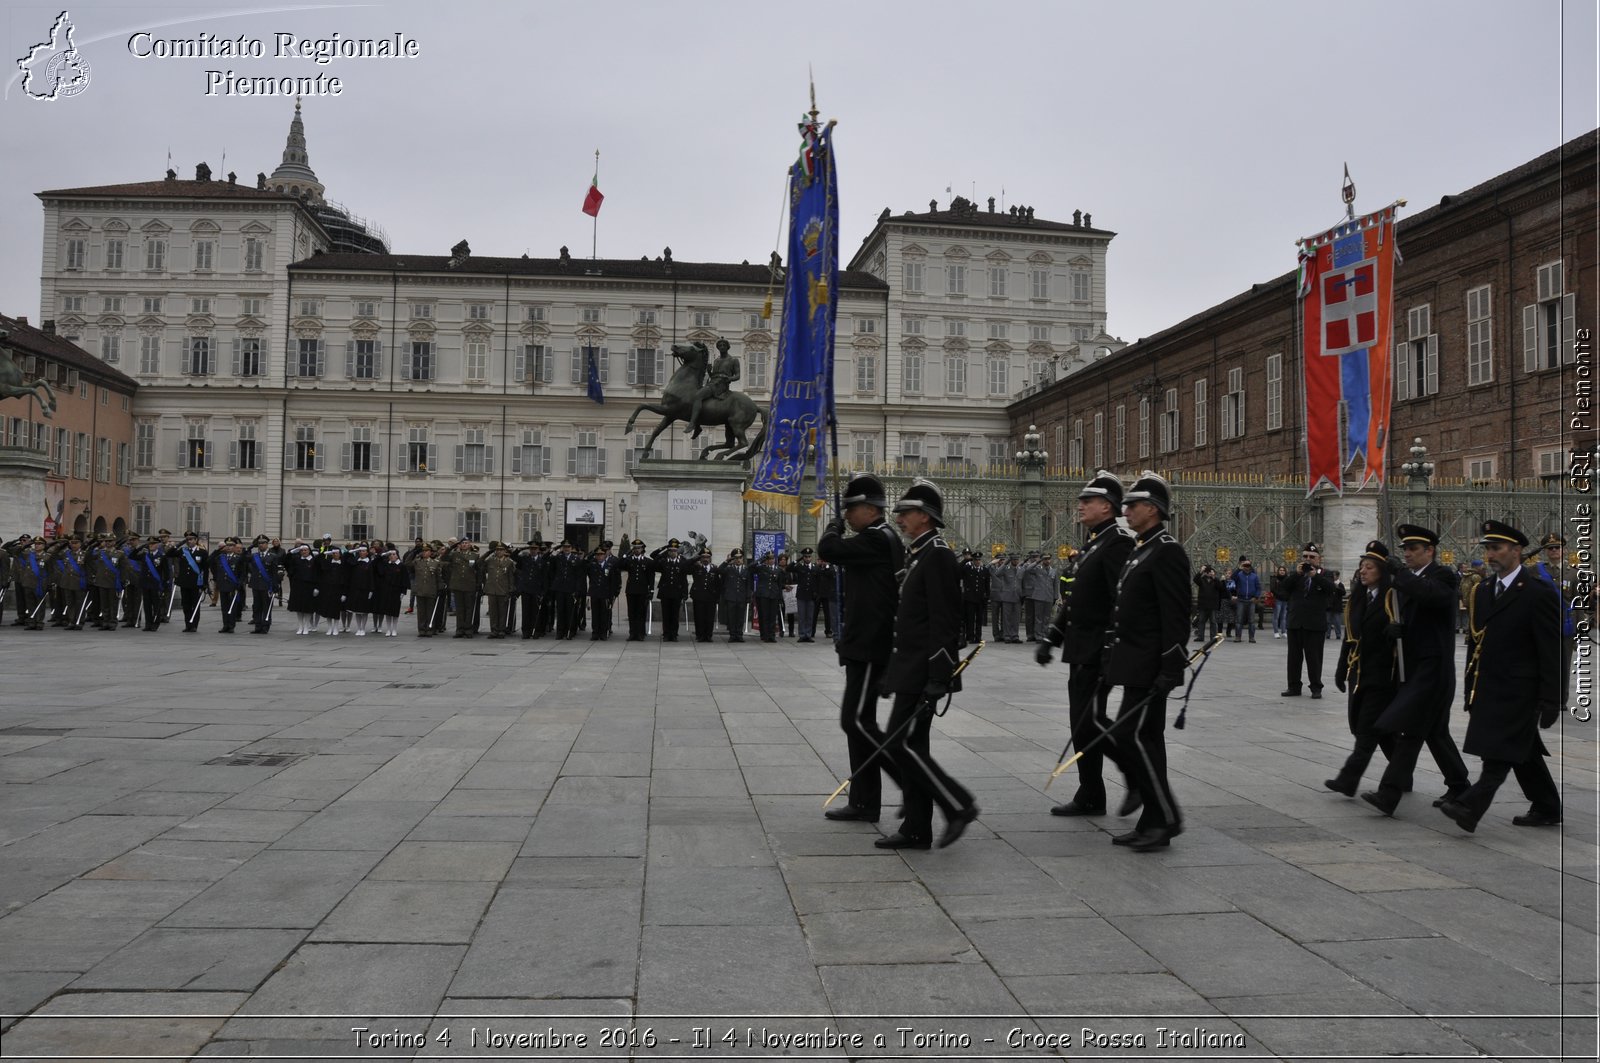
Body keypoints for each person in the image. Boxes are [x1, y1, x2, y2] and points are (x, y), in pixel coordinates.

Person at [1439, 520, 1563, 832]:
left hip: (1522, 689)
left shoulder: (1537, 593)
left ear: (1517, 551)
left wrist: (1553, 697)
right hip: (1492, 686)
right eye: (1488, 549)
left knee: (1500, 751)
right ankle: (1547, 806)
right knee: (1524, 749)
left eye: (1497, 548)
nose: (1491, 555)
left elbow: (1551, 650)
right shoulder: (1483, 591)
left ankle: (1469, 806)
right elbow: (1476, 643)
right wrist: (1471, 688)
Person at [876, 479, 978, 850]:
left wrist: (940, 674)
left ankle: (957, 805)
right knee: (911, 745)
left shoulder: (938, 555)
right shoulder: (919, 554)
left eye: (905, 513)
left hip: (924, 670)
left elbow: (945, 621)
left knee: (898, 743)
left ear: (924, 516)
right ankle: (917, 828)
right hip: (911, 666)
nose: (899, 519)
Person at [1037, 470, 1138, 818]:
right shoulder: (1095, 542)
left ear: (1107, 507)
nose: (1080, 505)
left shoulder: (1118, 544)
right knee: (1081, 724)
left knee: (1088, 723)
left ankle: (1135, 775)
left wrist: (1111, 645)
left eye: (1088, 501)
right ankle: (1091, 794)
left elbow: (1120, 600)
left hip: (1098, 648)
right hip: (1080, 647)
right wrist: (1053, 636)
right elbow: (1076, 596)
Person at [1103, 471, 1191, 851]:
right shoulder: (1143, 547)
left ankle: (1166, 816)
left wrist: (1172, 665)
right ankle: (1152, 820)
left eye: (1132, 505)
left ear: (1152, 510)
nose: (1126, 510)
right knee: (1146, 739)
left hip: (1152, 662)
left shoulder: (1167, 550)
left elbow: (1176, 613)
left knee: (1131, 735)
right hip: (1135, 660)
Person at [1360, 524, 1472, 817]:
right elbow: (1404, 613)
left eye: (1413, 549)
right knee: (1434, 733)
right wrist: (1394, 630)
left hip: (1434, 668)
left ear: (1430, 551)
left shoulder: (1442, 575)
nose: (1407, 554)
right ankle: (1460, 784)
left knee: (1411, 732)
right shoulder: (1406, 581)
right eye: (1405, 550)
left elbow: (1432, 596)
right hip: (1414, 667)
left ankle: (1389, 794)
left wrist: (1401, 575)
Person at [818, 474, 905, 824]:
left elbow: (829, 550)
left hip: (871, 644)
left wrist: (832, 526)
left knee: (855, 721)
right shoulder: (877, 537)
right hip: (862, 643)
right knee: (859, 723)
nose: (849, 515)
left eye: (851, 509)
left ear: (870, 509)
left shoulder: (877, 539)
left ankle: (911, 781)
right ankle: (864, 801)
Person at [1326, 542, 1400, 796]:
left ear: (1381, 570)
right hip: (1358, 672)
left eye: (1369, 567)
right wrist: (1340, 669)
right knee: (1369, 727)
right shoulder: (1358, 598)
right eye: (1361, 567)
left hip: (1382, 673)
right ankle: (1402, 771)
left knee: (1367, 729)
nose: (1363, 571)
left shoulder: (1393, 597)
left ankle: (1348, 779)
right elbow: (1350, 636)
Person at [1279, 543, 1334, 697]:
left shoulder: (1325, 574)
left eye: (1312, 557)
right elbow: (1282, 590)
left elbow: (1331, 589)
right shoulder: (1295, 575)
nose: (1308, 559)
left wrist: (1314, 576)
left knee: (1314, 658)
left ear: (1319, 559)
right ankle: (1294, 686)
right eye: (1305, 556)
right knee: (1294, 658)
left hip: (1315, 624)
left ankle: (1316, 687)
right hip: (1296, 622)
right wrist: (1296, 574)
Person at [687, 337, 741, 439]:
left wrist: (729, 378)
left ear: (728, 347)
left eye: (724, 345)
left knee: (698, 396)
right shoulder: (716, 360)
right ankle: (698, 426)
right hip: (712, 382)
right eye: (720, 345)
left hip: (721, 385)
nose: (722, 347)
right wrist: (709, 372)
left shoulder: (733, 360)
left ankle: (693, 424)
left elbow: (738, 376)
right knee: (694, 398)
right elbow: (713, 376)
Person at [652, 539, 689, 642]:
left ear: (678, 551)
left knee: (675, 614)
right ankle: (666, 634)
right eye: (671, 550)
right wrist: (663, 550)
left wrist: (685, 593)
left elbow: (684, 579)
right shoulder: (663, 561)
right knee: (666, 614)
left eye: (675, 550)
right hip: (665, 592)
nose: (673, 552)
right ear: (668, 551)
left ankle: (674, 634)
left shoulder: (682, 561)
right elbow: (653, 558)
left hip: (677, 592)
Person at [245, 536, 280, 635]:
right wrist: (250, 547)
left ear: (267, 544)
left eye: (263, 543)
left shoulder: (272, 556)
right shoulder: (254, 556)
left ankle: (265, 626)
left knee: (266, 606)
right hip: (256, 585)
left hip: (267, 585)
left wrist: (275, 586)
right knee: (256, 606)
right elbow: (244, 558)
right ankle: (258, 626)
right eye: (259, 543)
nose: (261, 545)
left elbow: (274, 572)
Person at [622, 539, 655, 641]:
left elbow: (651, 577)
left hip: (642, 591)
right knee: (631, 613)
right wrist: (625, 556)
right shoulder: (629, 560)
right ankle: (632, 633)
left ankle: (641, 633)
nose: (637, 550)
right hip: (631, 590)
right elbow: (618, 566)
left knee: (641, 613)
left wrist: (651, 590)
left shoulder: (648, 562)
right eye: (635, 548)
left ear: (642, 549)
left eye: (639, 548)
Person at [484, 542, 518, 639]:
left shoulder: (509, 562)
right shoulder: (490, 560)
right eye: (497, 550)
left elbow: (511, 577)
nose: (499, 552)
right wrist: (488, 552)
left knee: (503, 612)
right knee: (493, 612)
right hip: (492, 589)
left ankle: (501, 630)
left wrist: (511, 589)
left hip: (503, 590)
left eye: (501, 550)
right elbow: (480, 563)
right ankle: (494, 630)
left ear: (505, 551)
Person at [409, 542, 443, 637]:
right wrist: (414, 552)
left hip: (431, 589)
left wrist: (440, 588)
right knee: (421, 612)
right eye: (423, 551)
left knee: (430, 611)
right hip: (420, 590)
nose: (424, 553)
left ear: (431, 552)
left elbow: (438, 577)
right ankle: (421, 629)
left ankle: (429, 629)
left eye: (426, 551)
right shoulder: (417, 562)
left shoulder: (435, 563)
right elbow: (407, 564)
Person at [719, 548, 752, 642]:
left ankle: (739, 635)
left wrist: (748, 596)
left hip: (742, 597)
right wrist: (727, 561)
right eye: (736, 558)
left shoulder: (746, 569)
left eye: (740, 557)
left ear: (743, 558)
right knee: (732, 617)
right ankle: (732, 635)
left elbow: (748, 584)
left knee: (740, 617)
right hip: (731, 597)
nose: (738, 560)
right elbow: (719, 570)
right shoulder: (729, 569)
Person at [1022, 552, 1056, 642]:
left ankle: (1045, 634)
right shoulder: (1037, 569)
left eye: (1048, 559)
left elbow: (1055, 585)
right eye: (1045, 559)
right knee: (1039, 617)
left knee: (1046, 618)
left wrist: (1055, 596)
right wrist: (1038, 562)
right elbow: (1028, 570)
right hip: (1038, 597)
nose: (1047, 561)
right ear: (1042, 560)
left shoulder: (1053, 570)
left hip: (1049, 597)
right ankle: (1038, 636)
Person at [689, 547, 721, 642]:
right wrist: (695, 558)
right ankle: (700, 635)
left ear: (710, 558)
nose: (705, 559)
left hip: (711, 597)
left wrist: (718, 596)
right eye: (703, 557)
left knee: (710, 617)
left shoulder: (714, 568)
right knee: (699, 617)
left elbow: (718, 584)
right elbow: (685, 566)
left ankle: (708, 635)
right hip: (698, 596)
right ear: (700, 558)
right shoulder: (696, 567)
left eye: (707, 557)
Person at [990, 553, 1022, 643]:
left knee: (1015, 619)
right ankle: (1006, 636)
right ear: (1011, 561)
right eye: (1014, 560)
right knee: (1005, 618)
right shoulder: (1006, 569)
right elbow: (997, 573)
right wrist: (1006, 562)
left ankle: (1015, 635)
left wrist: (1022, 594)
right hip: (1006, 597)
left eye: (1017, 559)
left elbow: (1022, 582)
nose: (1016, 561)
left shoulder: (1020, 569)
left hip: (1017, 597)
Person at [752, 551, 783, 643]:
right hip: (763, 595)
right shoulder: (761, 568)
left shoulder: (778, 570)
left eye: (772, 559)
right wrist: (762, 559)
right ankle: (765, 635)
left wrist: (780, 597)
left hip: (774, 595)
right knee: (764, 616)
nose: (771, 560)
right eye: (769, 559)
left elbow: (779, 584)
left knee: (772, 616)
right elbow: (751, 567)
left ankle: (771, 635)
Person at [1231, 558, 1261, 643]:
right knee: (1239, 619)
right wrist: (1238, 569)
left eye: (1248, 565)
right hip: (1241, 599)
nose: (1247, 567)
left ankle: (1251, 637)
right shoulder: (1239, 574)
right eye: (1245, 565)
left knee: (1251, 620)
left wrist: (1256, 596)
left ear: (1251, 566)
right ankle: (1238, 637)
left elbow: (1258, 588)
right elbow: (1232, 579)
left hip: (1251, 600)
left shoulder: (1254, 576)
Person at [1192, 564, 1222, 643]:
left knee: (1213, 621)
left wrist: (1214, 577)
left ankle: (1213, 638)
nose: (1209, 573)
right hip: (1203, 604)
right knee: (1201, 621)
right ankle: (1200, 636)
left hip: (1212, 605)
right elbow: (1195, 579)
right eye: (1207, 571)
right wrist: (1201, 571)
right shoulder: (1202, 579)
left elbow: (1220, 586)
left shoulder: (1215, 580)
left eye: (1210, 571)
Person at [1270, 563, 1291, 638]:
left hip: (1285, 600)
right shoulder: (1274, 579)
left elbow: (1289, 589)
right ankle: (1276, 632)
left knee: (1284, 617)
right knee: (1276, 616)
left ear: (1285, 571)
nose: (1282, 571)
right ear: (1278, 571)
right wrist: (1279, 595)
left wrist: (1287, 596)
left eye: (1283, 570)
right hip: (1277, 599)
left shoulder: (1288, 579)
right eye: (1280, 570)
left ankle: (1283, 631)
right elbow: (1272, 589)